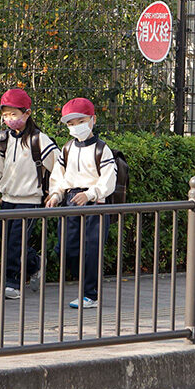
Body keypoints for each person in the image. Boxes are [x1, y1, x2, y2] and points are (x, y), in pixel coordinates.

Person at [45, 98, 119, 309]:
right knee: (65, 249)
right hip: (70, 200)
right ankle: (84, 285)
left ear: (93, 120)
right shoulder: (67, 148)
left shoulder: (102, 149)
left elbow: (108, 178)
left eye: (81, 121)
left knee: (91, 250)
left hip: (95, 204)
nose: (76, 127)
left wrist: (91, 194)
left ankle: (90, 294)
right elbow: (59, 177)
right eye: (71, 123)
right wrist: (56, 195)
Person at [0, 88, 60, 300]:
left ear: (27, 113)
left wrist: (54, 191)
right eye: (5, 114)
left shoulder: (39, 140)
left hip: (30, 200)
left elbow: (58, 165)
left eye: (14, 114)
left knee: (16, 243)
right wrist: (4, 188)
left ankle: (13, 283)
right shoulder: (2, 139)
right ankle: (35, 263)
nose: (9, 119)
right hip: (8, 199)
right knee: (8, 241)